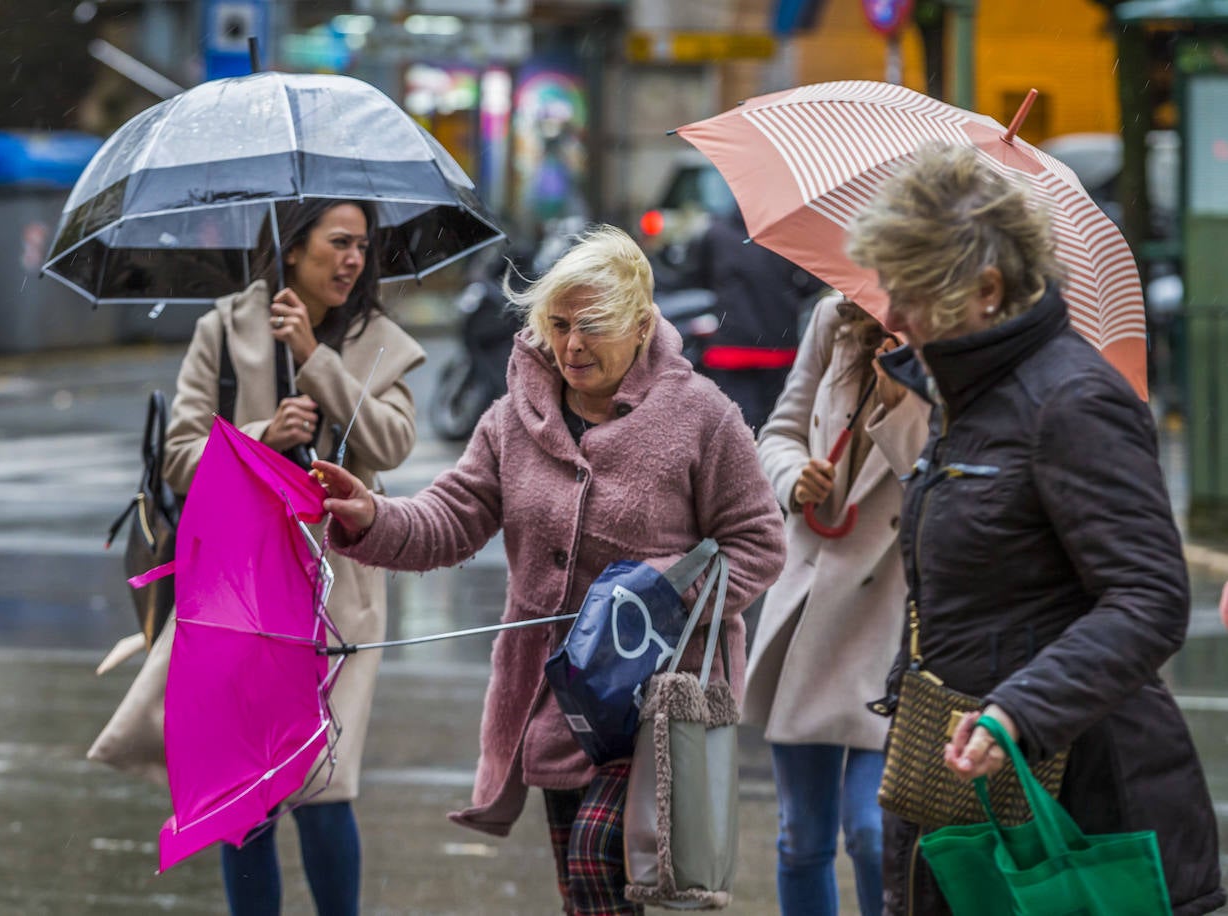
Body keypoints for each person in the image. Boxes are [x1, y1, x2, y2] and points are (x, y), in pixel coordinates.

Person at [310, 224, 786, 915]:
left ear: (642, 324)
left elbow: (758, 544)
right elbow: (451, 518)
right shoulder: (513, 419)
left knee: (599, 860)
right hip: (558, 698)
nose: (571, 345)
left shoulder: (703, 417)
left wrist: (658, 599)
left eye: (592, 325)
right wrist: (370, 515)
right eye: (558, 325)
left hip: (658, 695)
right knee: (583, 884)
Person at [844, 143, 1225, 916]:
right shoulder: (966, 397)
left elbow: (1149, 596)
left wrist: (1021, 709)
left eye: (911, 293)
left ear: (985, 290)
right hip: (976, 787)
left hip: (1079, 799)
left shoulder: (1071, 400)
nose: (894, 315)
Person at [163, 198, 426, 916]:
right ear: (292, 246)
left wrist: (316, 359)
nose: (353, 260)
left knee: (323, 782)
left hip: (341, 591)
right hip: (245, 587)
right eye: (338, 243)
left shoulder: (376, 338)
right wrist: (262, 435)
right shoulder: (224, 330)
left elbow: (392, 444)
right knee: (248, 792)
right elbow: (180, 458)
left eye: (363, 247)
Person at [743, 292, 929, 916]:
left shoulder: (952, 337)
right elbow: (782, 430)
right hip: (811, 605)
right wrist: (793, 475)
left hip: (894, 616)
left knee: (875, 832)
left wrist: (901, 401)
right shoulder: (834, 319)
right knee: (801, 837)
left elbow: (941, 475)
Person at [687, 209, 824, 432]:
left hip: (730, 347)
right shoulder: (788, 237)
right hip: (778, 347)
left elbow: (697, 277)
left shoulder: (717, 234)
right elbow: (812, 284)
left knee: (734, 430)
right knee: (777, 429)